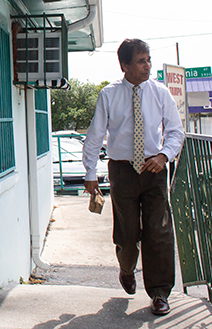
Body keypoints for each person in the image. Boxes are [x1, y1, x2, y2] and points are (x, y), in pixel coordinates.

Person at [82, 38, 185, 316]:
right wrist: (90, 173)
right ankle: (126, 268)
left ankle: (160, 293)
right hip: (123, 171)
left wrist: (164, 156)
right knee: (128, 234)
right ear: (125, 64)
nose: (147, 66)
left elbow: (176, 131)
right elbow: (95, 136)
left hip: (154, 169)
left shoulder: (160, 92)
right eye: (141, 61)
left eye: (148, 59)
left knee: (159, 232)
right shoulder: (109, 95)